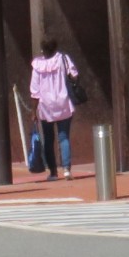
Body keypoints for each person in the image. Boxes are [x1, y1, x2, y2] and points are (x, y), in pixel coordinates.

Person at [29, 37, 79, 181]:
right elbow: (74, 75)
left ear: (42, 49)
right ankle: (67, 169)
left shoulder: (37, 65)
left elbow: (34, 91)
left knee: (48, 139)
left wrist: (33, 111)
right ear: (56, 47)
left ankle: (53, 172)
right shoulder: (63, 59)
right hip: (63, 103)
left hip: (46, 107)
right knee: (64, 138)